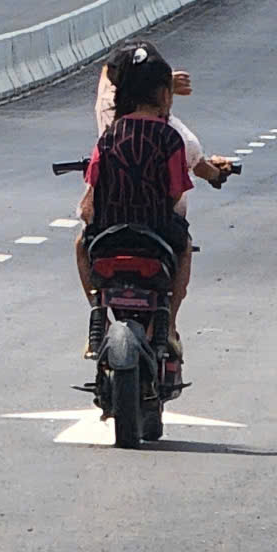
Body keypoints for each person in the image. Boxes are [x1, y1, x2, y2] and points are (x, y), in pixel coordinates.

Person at [78, 45, 196, 359]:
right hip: (155, 235)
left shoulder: (108, 136)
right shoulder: (170, 138)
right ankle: (169, 326)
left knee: (79, 245)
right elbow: (175, 191)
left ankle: (97, 318)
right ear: (164, 95)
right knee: (185, 248)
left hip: (108, 236)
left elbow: (94, 187)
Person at [92, 40, 234, 196]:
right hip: (160, 215)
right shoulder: (170, 138)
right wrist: (216, 174)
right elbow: (185, 181)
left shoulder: (107, 139)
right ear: (164, 95)